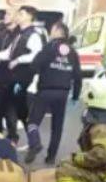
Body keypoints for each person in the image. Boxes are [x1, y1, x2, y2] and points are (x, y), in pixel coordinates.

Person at [24, 20, 82, 164]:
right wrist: (75, 96)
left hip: (45, 91)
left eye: (52, 30)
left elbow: (34, 66)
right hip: (63, 94)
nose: (50, 33)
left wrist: (27, 81)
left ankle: (35, 143)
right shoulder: (73, 52)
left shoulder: (49, 48)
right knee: (57, 127)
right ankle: (51, 157)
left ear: (57, 31)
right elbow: (78, 76)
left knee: (33, 121)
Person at [0, 5, 43, 142]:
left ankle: (22, 139)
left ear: (30, 17)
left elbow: (37, 55)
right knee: (8, 109)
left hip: (22, 78)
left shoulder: (33, 34)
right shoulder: (19, 34)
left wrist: (18, 60)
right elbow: (8, 54)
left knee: (14, 110)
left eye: (21, 14)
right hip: (11, 77)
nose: (18, 16)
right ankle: (9, 138)